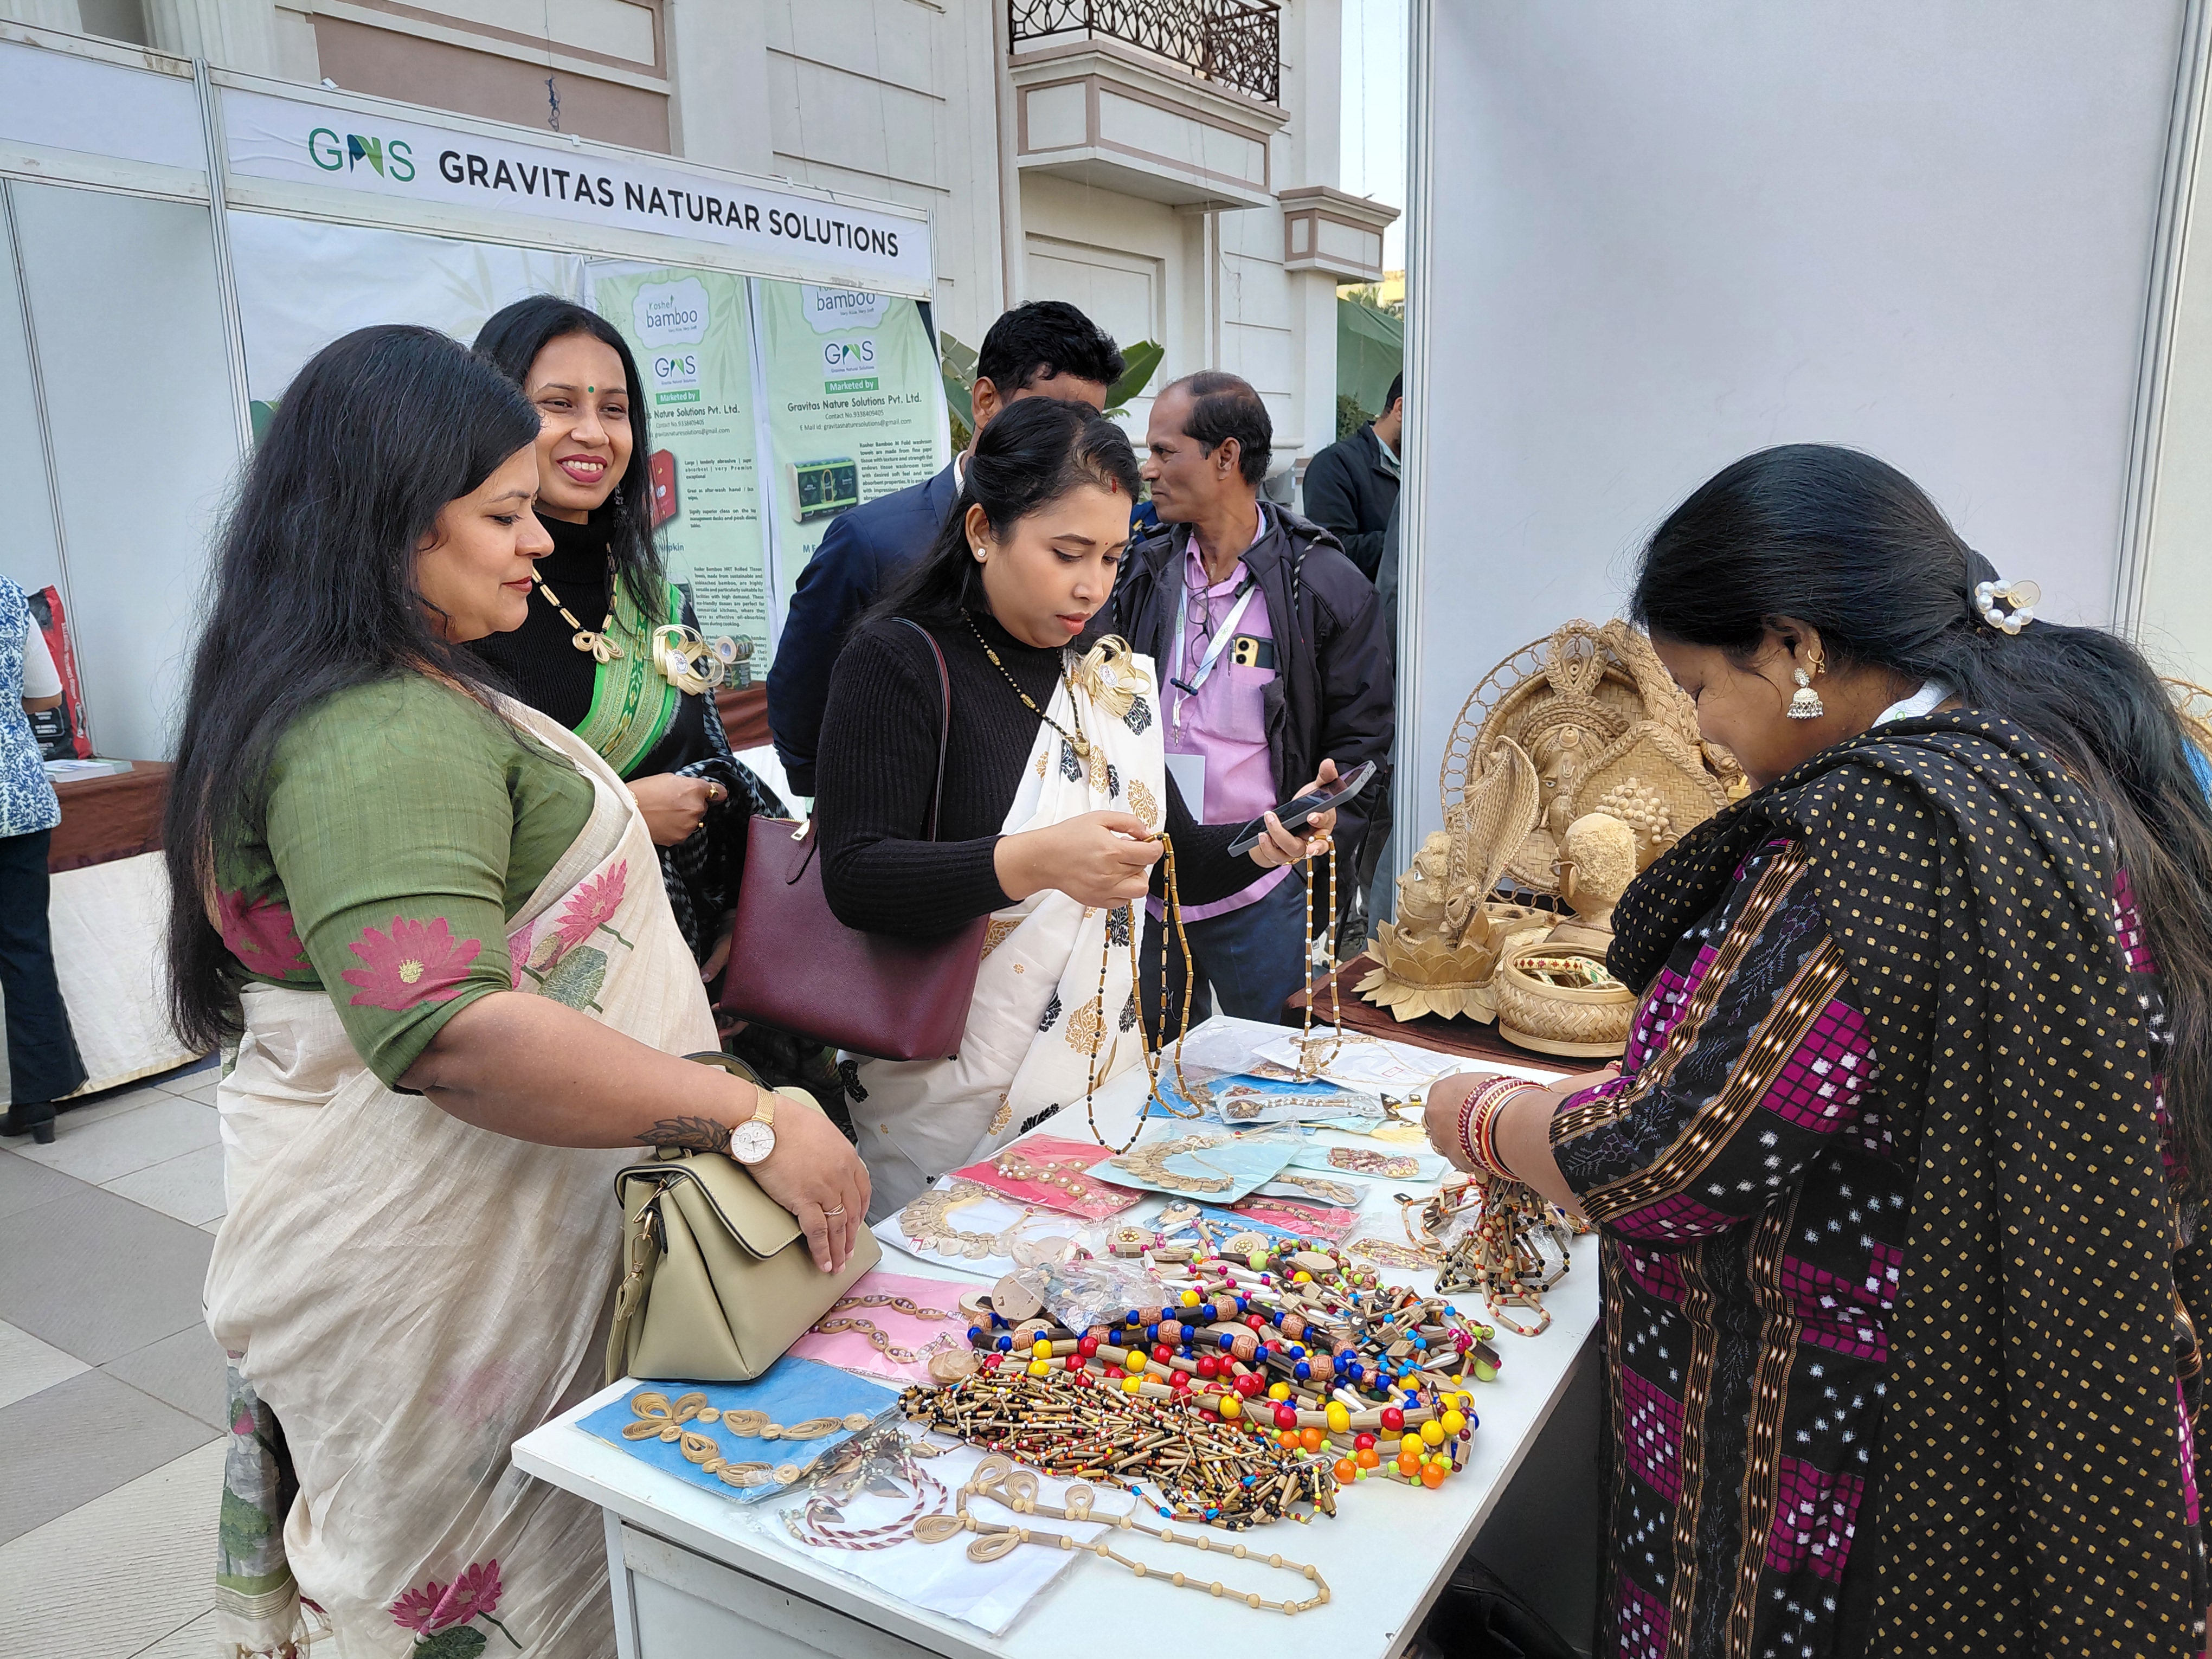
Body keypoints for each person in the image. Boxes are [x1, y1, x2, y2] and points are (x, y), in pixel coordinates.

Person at [1420, 445, 2212, 1658]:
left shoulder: (1880, 827)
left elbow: (1673, 1156)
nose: (1697, 728)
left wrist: (1475, 1115)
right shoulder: (2061, 755)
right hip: (2045, 1360)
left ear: (1794, 649)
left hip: (1852, 1429)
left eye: (1694, 685)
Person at [166, 325, 869, 1658]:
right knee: (489, 1592)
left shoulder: (389, 688)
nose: (538, 536)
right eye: (500, 512)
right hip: (434, 1290)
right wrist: (743, 1113)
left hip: (465, 1255)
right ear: (390, 523)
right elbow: (449, 1035)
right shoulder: (374, 728)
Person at [812, 396, 1340, 1219]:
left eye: (1113, 557)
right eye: (1067, 554)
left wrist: (1269, 840)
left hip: (1097, 1089)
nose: (1092, 587)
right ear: (984, 530)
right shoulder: (898, 662)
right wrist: (1036, 861)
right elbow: (855, 878)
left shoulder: (1103, 680)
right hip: (942, 1101)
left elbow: (1170, 858)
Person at [470, 296, 779, 982]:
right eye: (558, 405)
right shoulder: (465, 610)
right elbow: (457, 830)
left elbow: (716, 766)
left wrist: (742, 925)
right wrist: (629, 810)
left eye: (613, 409)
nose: (593, 433)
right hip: (536, 988)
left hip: (696, 956)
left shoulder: (659, 602)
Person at [1101, 370, 1393, 1025]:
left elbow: (1363, 743)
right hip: (1149, 881)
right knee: (1150, 1080)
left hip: (1261, 889)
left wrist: (1308, 856)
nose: (1148, 471)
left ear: (1226, 457)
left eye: (1164, 452)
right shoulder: (1138, 569)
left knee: (1271, 1072)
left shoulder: (1324, 586)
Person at [769, 299, 1126, 798]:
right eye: (1049, 412)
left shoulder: (1095, 554)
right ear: (985, 401)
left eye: (1089, 418)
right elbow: (800, 712)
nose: (1070, 435)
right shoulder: (873, 542)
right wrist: (860, 814)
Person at [0, 575, 85, 1142]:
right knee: (25, 946)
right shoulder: (7, 595)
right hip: (18, 797)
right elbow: (47, 697)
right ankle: (38, 1100)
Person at [1301, 370, 1401, 582]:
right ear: (1400, 409)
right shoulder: (1334, 464)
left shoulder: (1425, 474)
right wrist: (1411, 538)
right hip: (1367, 611)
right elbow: (1331, 552)